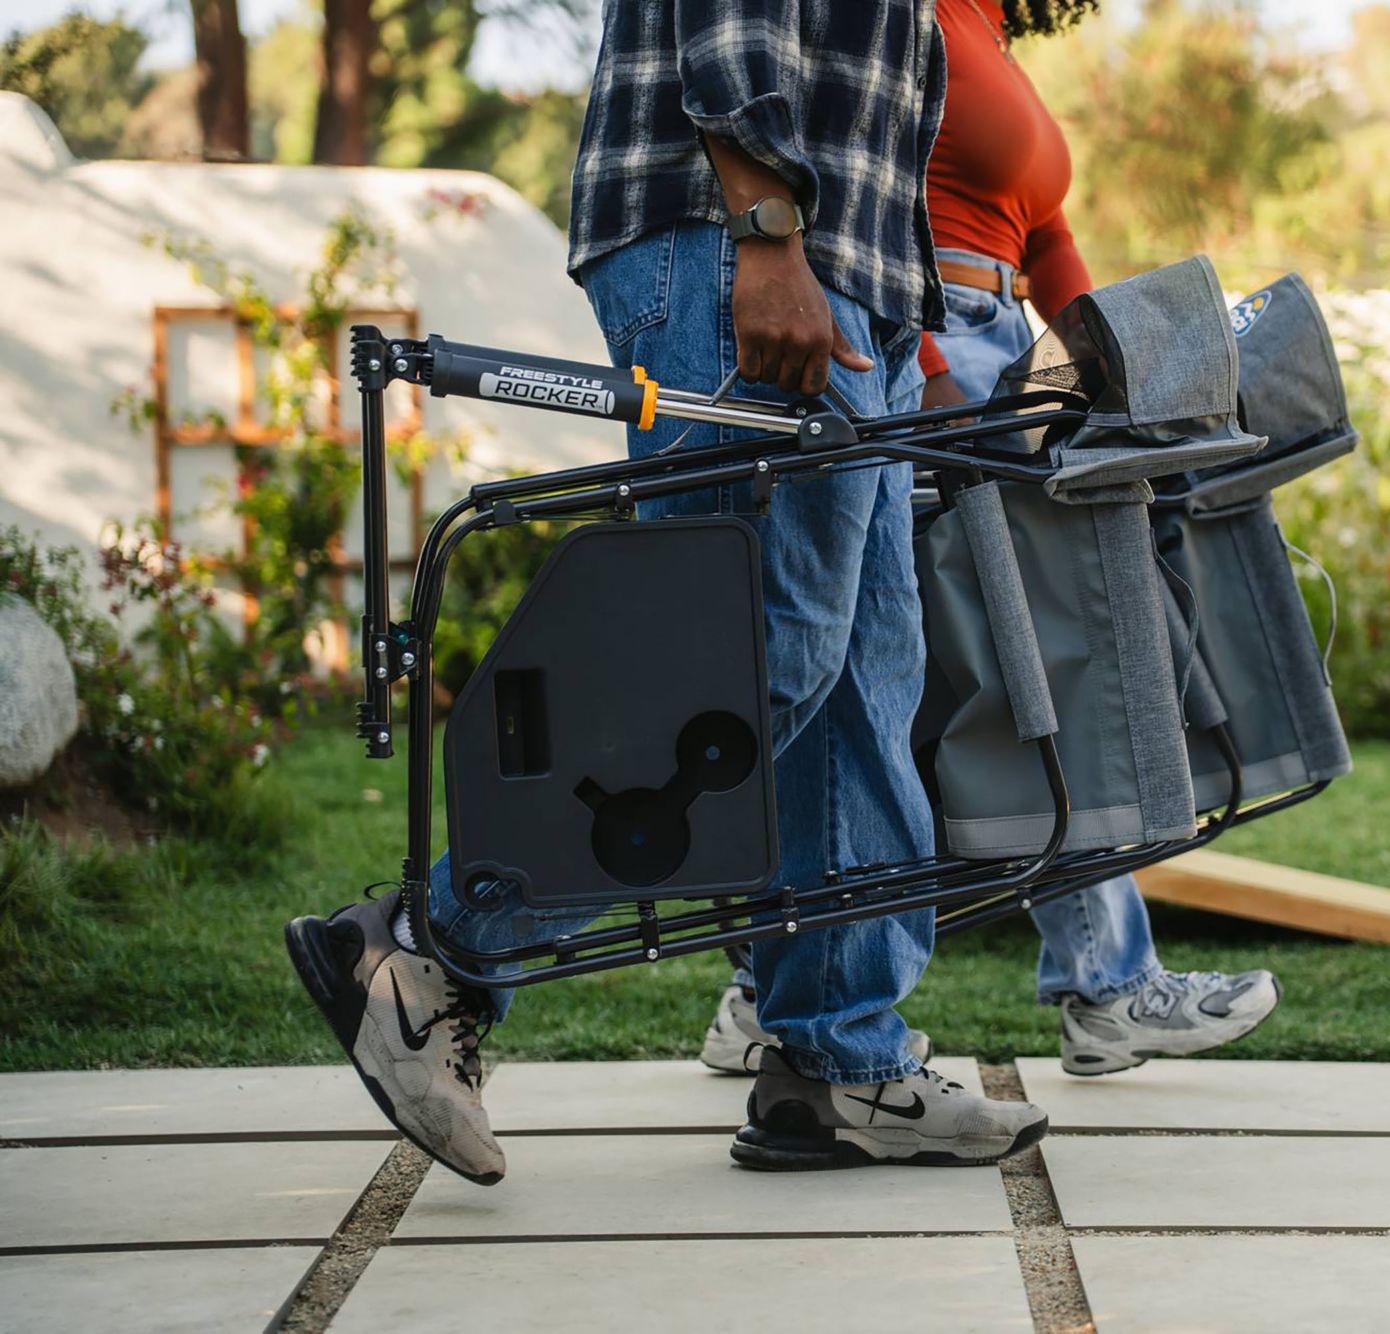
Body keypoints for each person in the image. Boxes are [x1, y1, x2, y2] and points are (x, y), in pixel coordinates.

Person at [284, 0, 1049, 1184]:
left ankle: (838, 1059)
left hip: (855, 272)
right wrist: (767, 229)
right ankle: (428, 950)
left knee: (860, 685)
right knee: (743, 664)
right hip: (740, 242)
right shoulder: (757, 236)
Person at [698, 0, 1281, 1084]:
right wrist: (915, 362)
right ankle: (1098, 985)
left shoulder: (985, 28)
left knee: (963, 674)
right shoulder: (906, 17)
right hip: (929, 343)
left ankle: (771, 988)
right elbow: (871, 184)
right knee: (1006, 665)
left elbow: (1044, 236)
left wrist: (1120, 365)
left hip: (1002, 350)